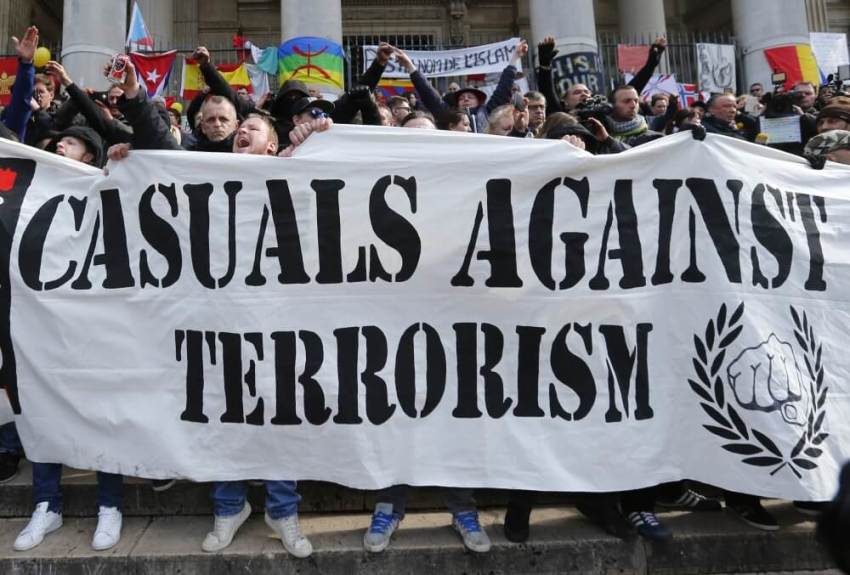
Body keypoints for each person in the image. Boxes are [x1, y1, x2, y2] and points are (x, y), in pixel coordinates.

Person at [13, 124, 126, 552]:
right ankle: (47, 504)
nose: (61, 143)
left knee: (103, 413)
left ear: (88, 157)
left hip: (96, 326)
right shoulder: (30, 198)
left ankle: (110, 505)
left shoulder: (107, 190)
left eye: (73, 142)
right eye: (60, 140)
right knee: (44, 411)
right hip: (44, 324)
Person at [395, 39, 527, 133]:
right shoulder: (448, 115)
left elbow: (503, 87)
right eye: (462, 98)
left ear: (479, 101)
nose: (466, 99)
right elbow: (429, 94)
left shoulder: (489, 112)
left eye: (470, 97)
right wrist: (410, 67)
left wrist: (515, 58)